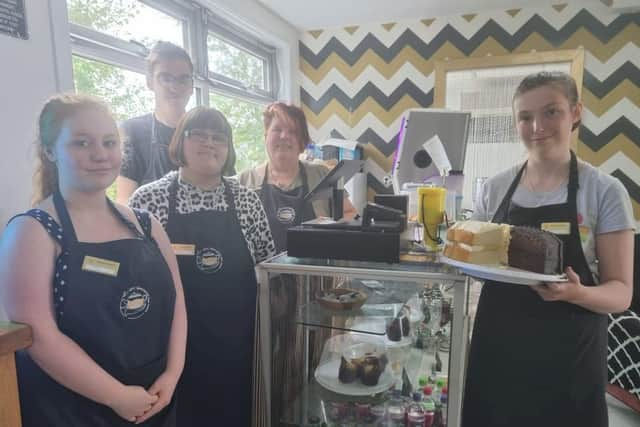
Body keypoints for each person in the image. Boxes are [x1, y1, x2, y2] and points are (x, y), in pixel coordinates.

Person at [0, 94, 187, 426]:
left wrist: (172, 375)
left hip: (153, 401)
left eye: (109, 142)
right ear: (49, 151)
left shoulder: (147, 225)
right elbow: (40, 336)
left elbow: (177, 306)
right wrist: (116, 396)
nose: (100, 154)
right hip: (73, 409)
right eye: (81, 143)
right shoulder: (32, 230)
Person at [462, 71, 635, 427]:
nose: (537, 125)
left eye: (551, 111)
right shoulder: (493, 189)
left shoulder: (604, 191)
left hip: (569, 356)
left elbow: (620, 294)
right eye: (525, 117)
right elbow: (477, 258)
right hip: (499, 348)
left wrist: (575, 292)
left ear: (575, 112)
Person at [129, 106, 275, 426]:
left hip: (238, 347)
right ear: (181, 141)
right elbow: (134, 278)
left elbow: (268, 266)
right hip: (173, 353)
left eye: (219, 138)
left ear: (229, 148)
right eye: (199, 135)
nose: (210, 143)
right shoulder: (149, 201)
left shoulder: (247, 200)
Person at [239, 102, 357, 253]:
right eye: (277, 129)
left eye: (293, 131)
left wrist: (331, 229)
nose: (284, 136)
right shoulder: (244, 181)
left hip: (315, 272)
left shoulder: (324, 174)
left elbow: (350, 213)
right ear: (265, 136)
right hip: (261, 275)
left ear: (302, 142)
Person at [116, 41, 194, 204]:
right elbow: (124, 202)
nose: (175, 87)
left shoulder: (208, 133)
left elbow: (228, 189)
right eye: (165, 78)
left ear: (192, 86)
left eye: (183, 80)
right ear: (150, 82)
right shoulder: (133, 131)